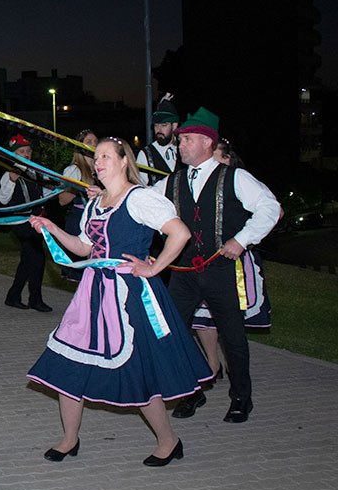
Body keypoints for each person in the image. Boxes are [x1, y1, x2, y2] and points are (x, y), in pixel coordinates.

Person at [26, 136, 212, 467]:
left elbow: (180, 233)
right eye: (96, 157)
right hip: (92, 294)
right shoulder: (95, 204)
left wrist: (153, 267)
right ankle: (70, 439)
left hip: (130, 297)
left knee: (138, 371)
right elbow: (85, 249)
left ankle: (169, 441)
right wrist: (51, 227)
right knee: (69, 361)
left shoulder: (140, 199)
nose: (98, 162)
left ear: (125, 161)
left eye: (106, 157)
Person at [155, 108, 281, 423]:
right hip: (183, 272)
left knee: (233, 336)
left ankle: (241, 398)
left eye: (187, 139)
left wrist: (242, 239)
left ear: (208, 142)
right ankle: (192, 390)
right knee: (169, 331)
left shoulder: (235, 177)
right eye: (180, 139)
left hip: (221, 269)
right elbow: (138, 202)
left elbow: (270, 207)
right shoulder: (171, 182)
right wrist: (104, 194)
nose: (180, 144)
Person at [192, 138, 273, 334]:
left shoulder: (239, 179)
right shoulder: (197, 181)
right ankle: (213, 364)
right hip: (203, 261)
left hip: (235, 258)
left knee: (230, 318)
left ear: (227, 159)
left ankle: (233, 363)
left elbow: (273, 210)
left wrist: (242, 238)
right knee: (203, 318)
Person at [0, 134, 52, 312]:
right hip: (21, 222)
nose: (27, 154)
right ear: (14, 154)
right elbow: (3, 199)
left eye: (28, 151)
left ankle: (13, 296)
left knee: (28, 261)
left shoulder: (36, 172)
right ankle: (35, 299)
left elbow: (43, 194)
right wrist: (11, 181)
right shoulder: (10, 173)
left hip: (36, 221)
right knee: (37, 258)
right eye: (22, 151)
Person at [57, 130, 100, 282]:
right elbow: (62, 200)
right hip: (79, 221)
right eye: (89, 142)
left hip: (97, 222)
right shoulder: (74, 170)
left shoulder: (100, 169)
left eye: (95, 142)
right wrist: (77, 186)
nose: (94, 145)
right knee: (81, 275)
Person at [136, 94, 180, 186]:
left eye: (164, 125)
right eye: (156, 125)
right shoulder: (145, 155)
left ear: (174, 126)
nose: (159, 130)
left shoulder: (183, 149)